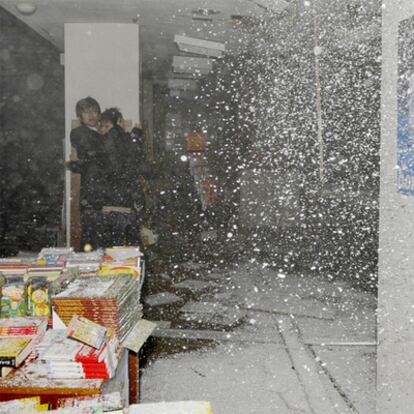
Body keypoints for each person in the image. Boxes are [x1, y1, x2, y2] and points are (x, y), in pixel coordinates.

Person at [67, 96, 106, 249]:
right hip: (92, 192)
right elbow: (92, 154)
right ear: (80, 116)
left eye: (95, 112)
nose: (91, 116)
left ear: (99, 114)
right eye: (86, 112)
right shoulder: (78, 133)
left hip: (110, 193)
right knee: (90, 237)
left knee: (108, 237)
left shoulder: (105, 132)